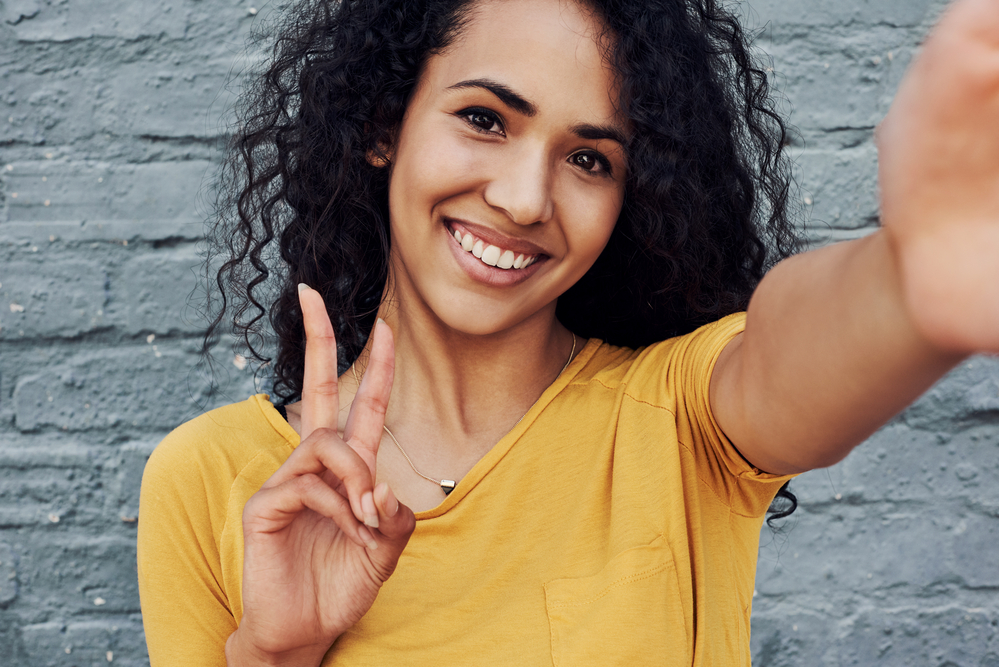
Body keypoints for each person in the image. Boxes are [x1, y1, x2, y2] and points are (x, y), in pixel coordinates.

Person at [136, 0, 999, 664]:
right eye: (483, 118)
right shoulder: (217, 479)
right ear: (379, 127)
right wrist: (277, 652)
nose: (523, 198)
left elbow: (784, 352)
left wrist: (907, 276)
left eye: (590, 159)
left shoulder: (675, 421)